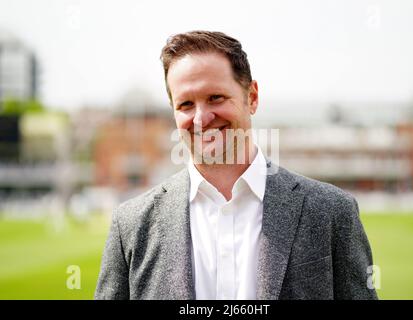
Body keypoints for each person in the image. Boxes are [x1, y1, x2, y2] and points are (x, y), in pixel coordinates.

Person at [95, 31, 378, 300]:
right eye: (186, 104)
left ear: (252, 97)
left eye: (215, 98)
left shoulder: (331, 212)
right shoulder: (130, 225)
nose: (201, 118)